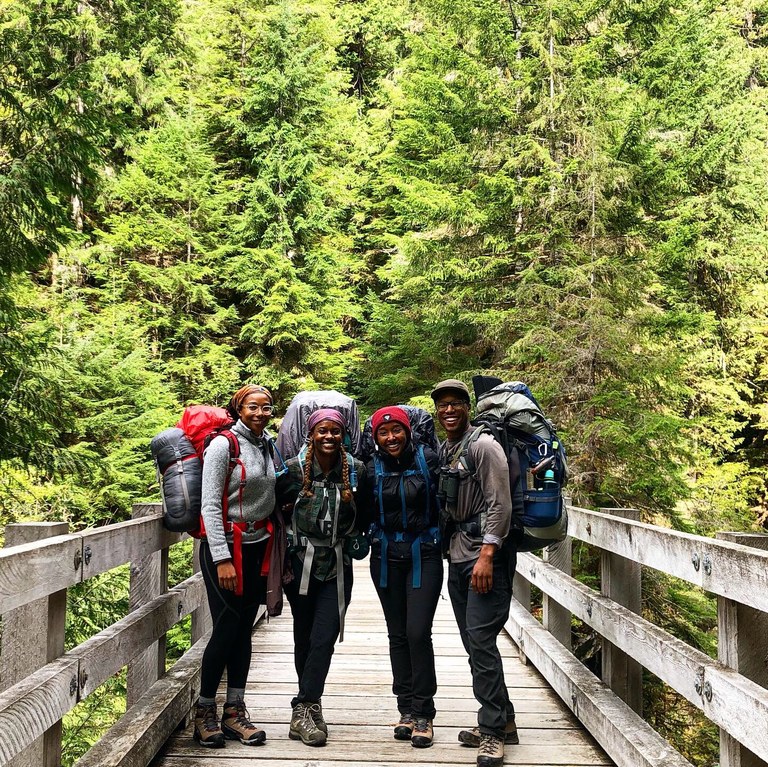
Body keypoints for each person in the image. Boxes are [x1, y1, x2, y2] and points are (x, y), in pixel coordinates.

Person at [431, 379, 519, 767]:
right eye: (442, 405)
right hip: (459, 555)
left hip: (485, 560)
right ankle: (506, 720)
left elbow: (501, 505)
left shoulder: (484, 445)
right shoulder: (449, 447)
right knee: (474, 644)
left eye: (455, 404)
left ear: (468, 407)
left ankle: (492, 732)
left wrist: (487, 555)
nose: (448, 411)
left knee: (481, 642)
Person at [276, 408, 369, 747]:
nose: (328, 437)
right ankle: (309, 707)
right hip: (299, 565)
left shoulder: (356, 472)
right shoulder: (292, 470)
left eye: (335, 431)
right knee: (305, 635)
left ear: (343, 435)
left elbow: (367, 512)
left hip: (337, 565)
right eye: (322, 431)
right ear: (311, 434)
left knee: (324, 636)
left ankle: (303, 706)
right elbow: (271, 505)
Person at [193, 384, 278, 748]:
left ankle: (234, 711)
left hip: (258, 547)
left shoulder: (267, 443)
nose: (260, 413)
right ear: (239, 408)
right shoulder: (222, 446)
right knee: (226, 628)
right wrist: (222, 557)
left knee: (244, 629)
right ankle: (204, 712)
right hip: (226, 550)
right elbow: (210, 506)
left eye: (267, 407)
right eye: (252, 407)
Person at [366, 406, 442, 748]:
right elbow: (361, 509)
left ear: (408, 431)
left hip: (423, 554)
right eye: (384, 433)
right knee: (397, 634)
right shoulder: (371, 468)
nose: (391, 437)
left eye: (397, 430)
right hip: (385, 557)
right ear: (376, 437)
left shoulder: (429, 459)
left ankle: (424, 712)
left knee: (417, 632)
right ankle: (406, 710)